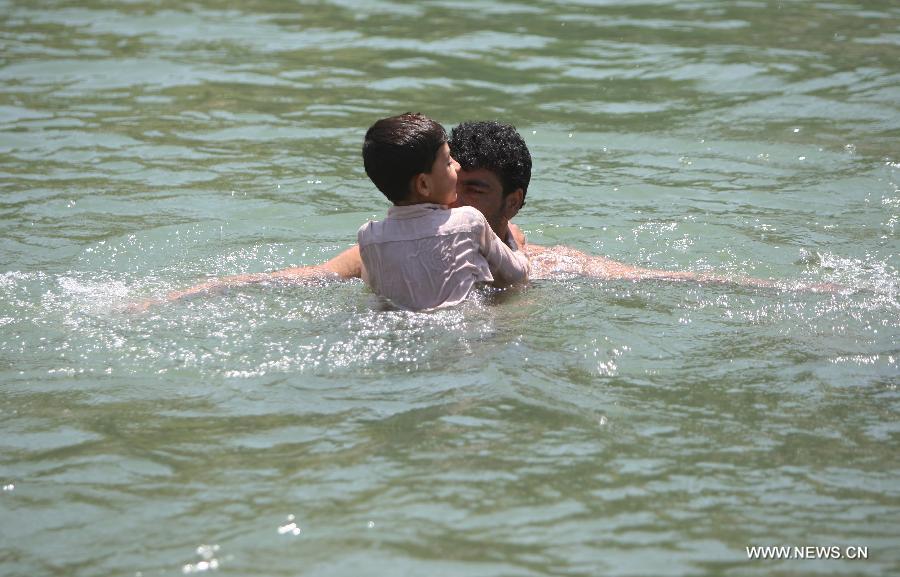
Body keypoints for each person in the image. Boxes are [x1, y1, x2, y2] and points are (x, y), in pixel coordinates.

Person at [155, 119, 821, 307]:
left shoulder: (547, 262)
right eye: (450, 181)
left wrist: (787, 292)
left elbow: (656, 279)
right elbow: (293, 278)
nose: (451, 200)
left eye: (472, 189)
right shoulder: (376, 245)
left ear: (514, 202)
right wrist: (178, 293)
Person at [354, 113, 528, 310]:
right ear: (423, 184)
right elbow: (519, 275)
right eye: (448, 163)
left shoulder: (369, 238)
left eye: (474, 190)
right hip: (464, 330)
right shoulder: (469, 222)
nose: (457, 166)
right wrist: (517, 246)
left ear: (513, 201)